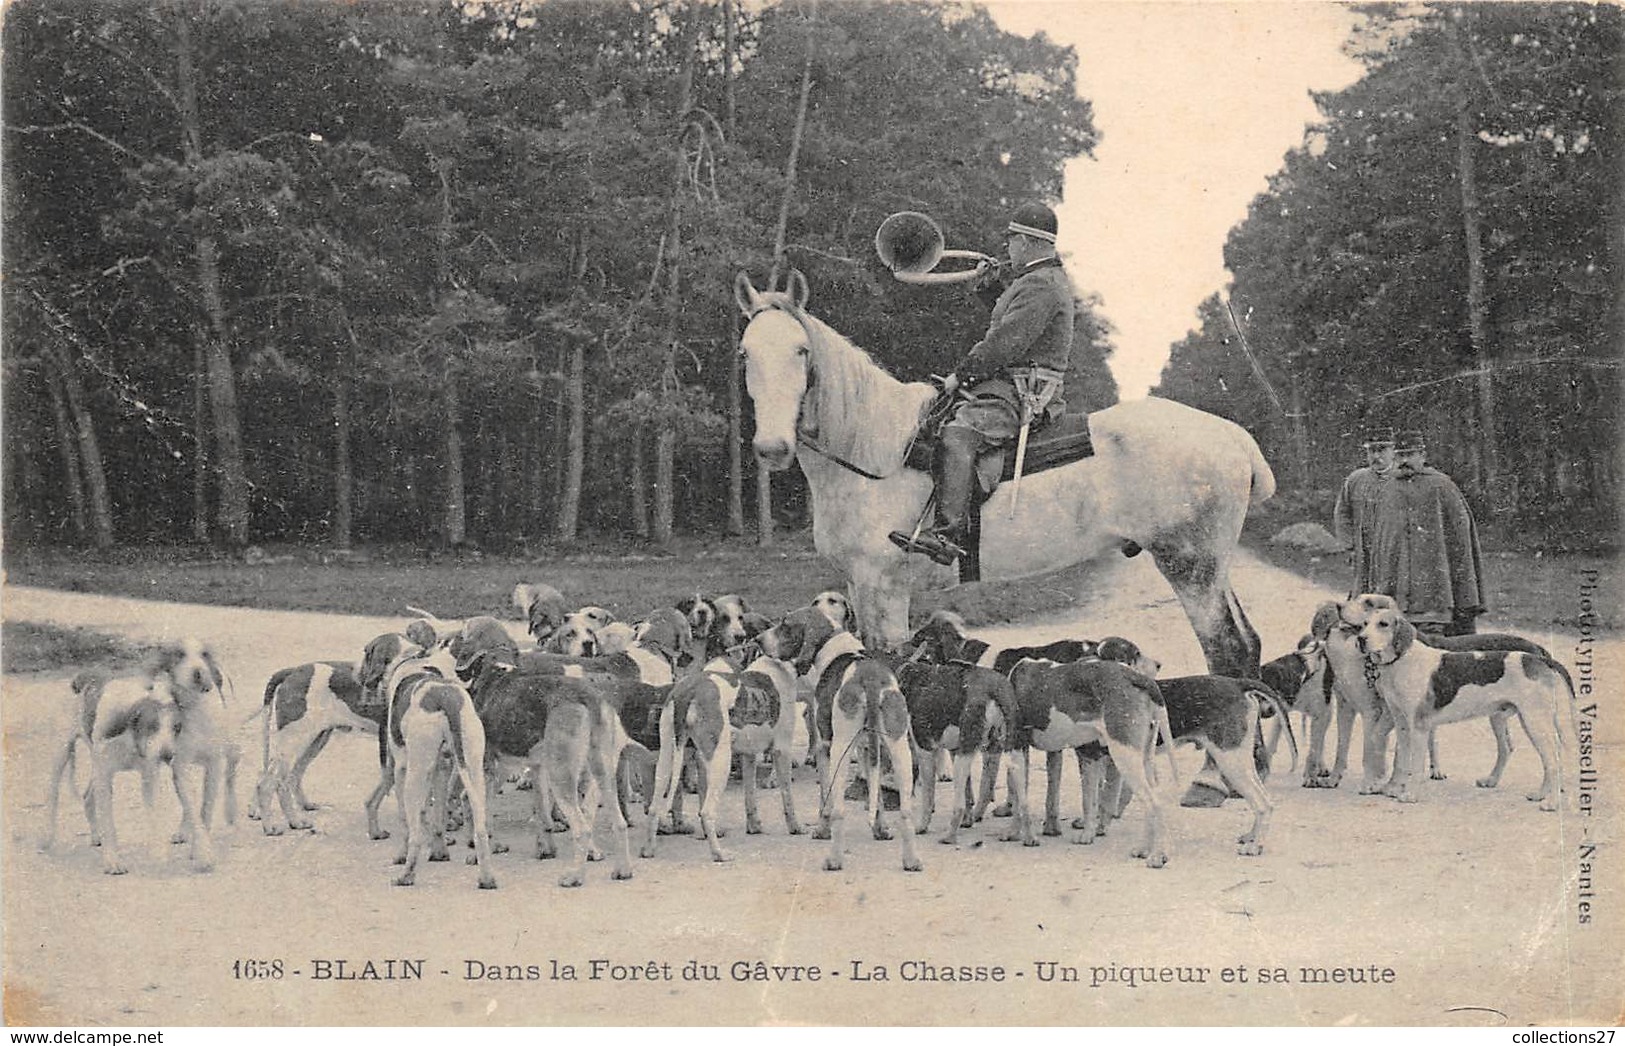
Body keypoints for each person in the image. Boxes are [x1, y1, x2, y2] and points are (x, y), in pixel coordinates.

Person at [889, 202, 1076, 565]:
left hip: (1024, 394)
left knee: (959, 434)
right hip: (1008, 387)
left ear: (1024, 242)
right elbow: (1012, 323)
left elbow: (1006, 343)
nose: (1007, 249)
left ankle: (946, 535)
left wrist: (962, 375)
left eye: (1010, 242)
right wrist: (989, 290)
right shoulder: (1035, 282)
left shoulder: (1041, 284)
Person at [1367, 430, 1487, 636]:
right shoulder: (1388, 489)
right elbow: (1382, 540)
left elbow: (1460, 537)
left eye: (1410, 455)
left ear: (1423, 455)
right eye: (1400, 455)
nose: (1404, 461)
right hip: (1397, 582)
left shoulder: (1442, 486)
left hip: (1436, 582)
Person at [1332, 424, 1396, 595]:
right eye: (1371, 451)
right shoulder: (1356, 479)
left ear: (1393, 451)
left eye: (1382, 450)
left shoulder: (1402, 480)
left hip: (1393, 552)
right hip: (1364, 551)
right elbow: (1342, 513)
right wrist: (1349, 546)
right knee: (1363, 596)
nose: (1376, 456)